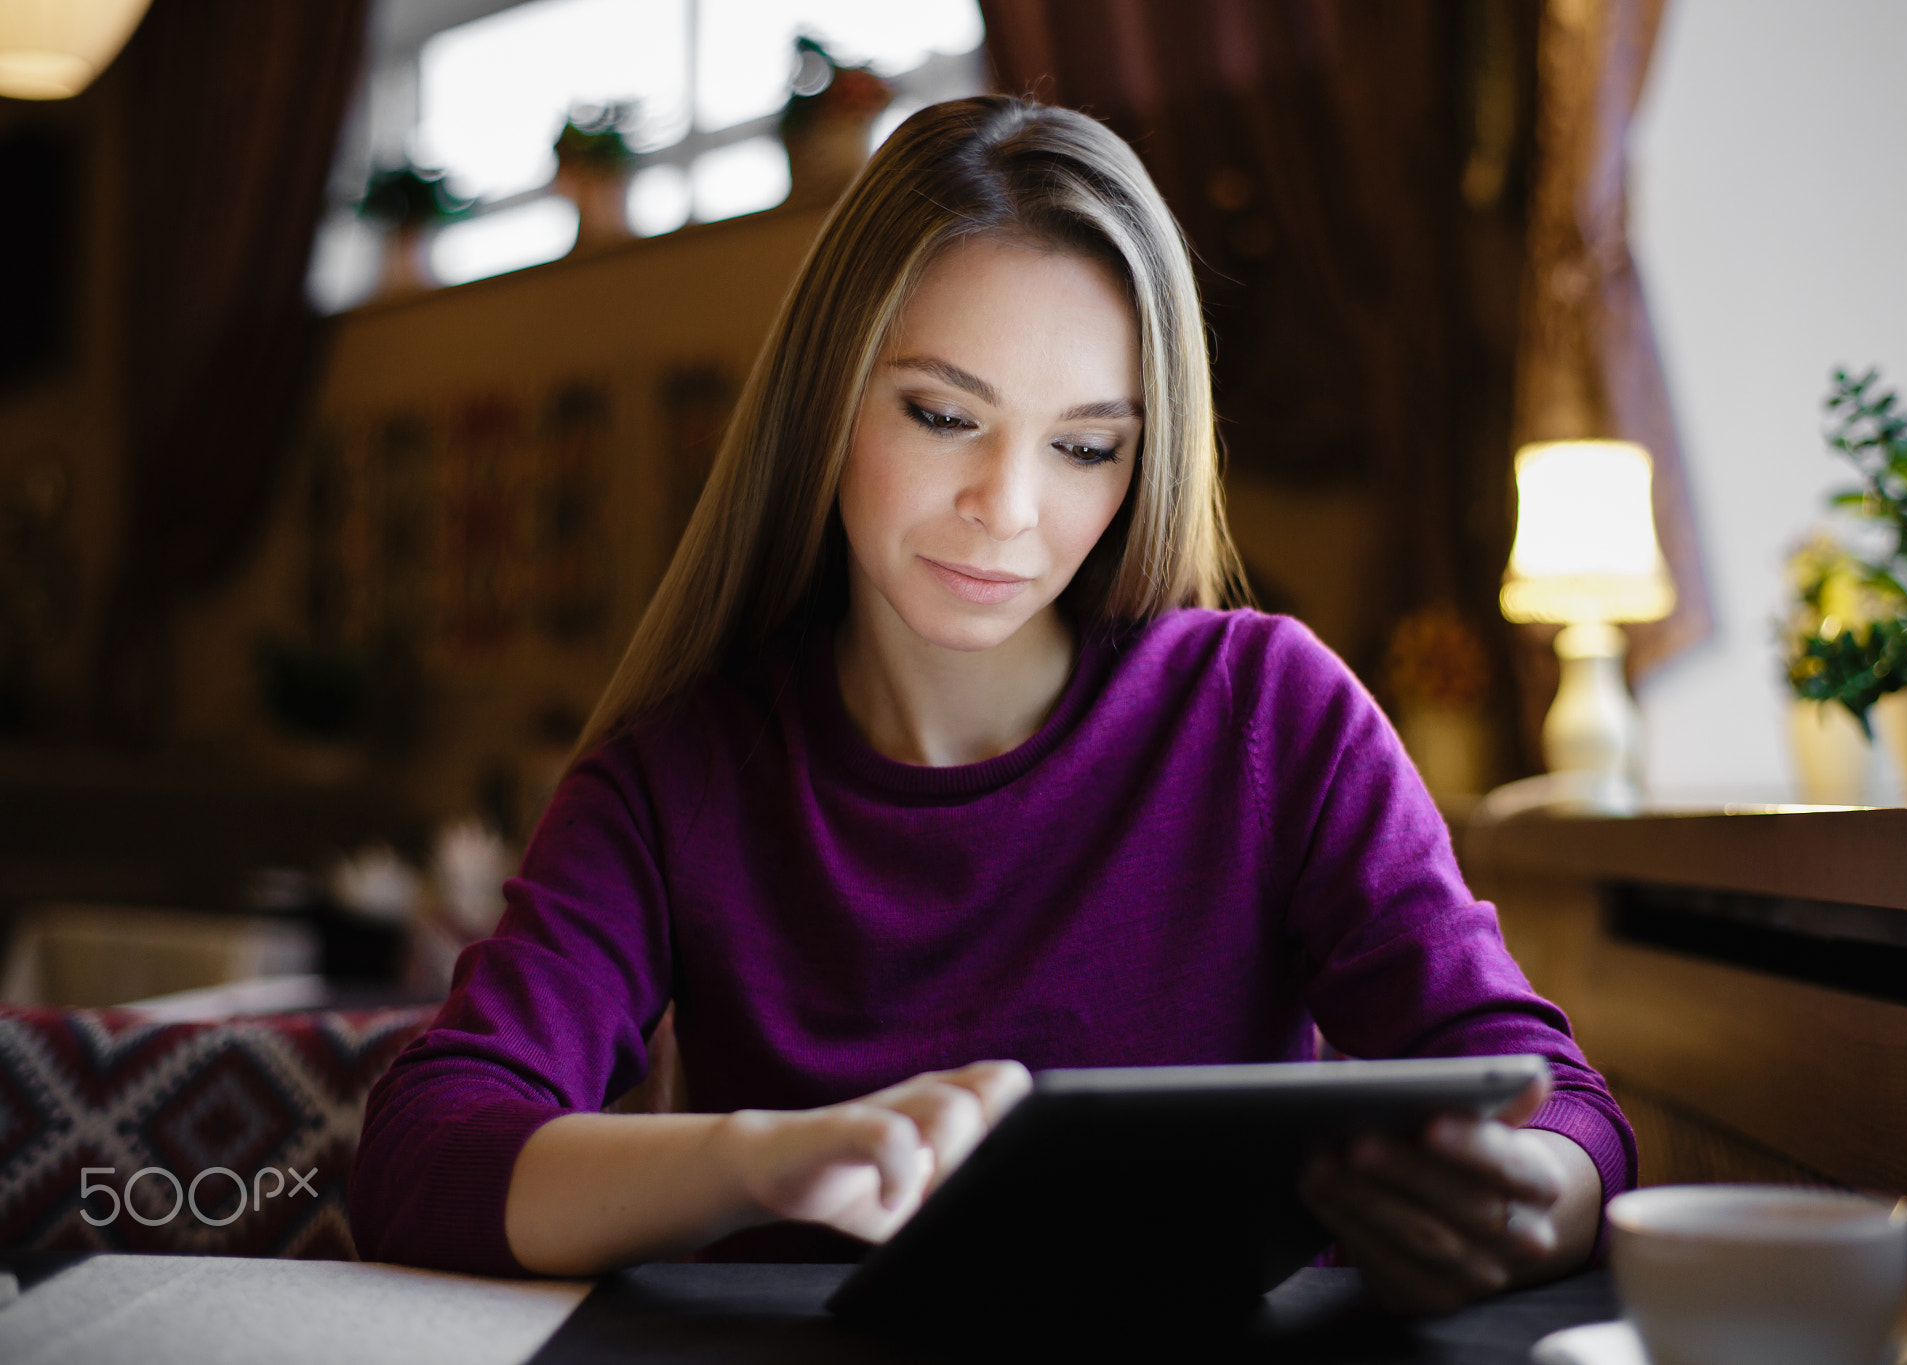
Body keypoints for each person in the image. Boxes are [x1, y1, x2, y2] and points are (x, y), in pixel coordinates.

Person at [350, 95, 1634, 1315]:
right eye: (943, 413)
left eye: (1086, 446)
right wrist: (759, 1161)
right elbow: (424, 1152)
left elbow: (1557, 1105)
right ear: (826, 401)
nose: (1008, 509)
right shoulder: (673, 778)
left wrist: (1535, 1194)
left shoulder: (1267, 713)